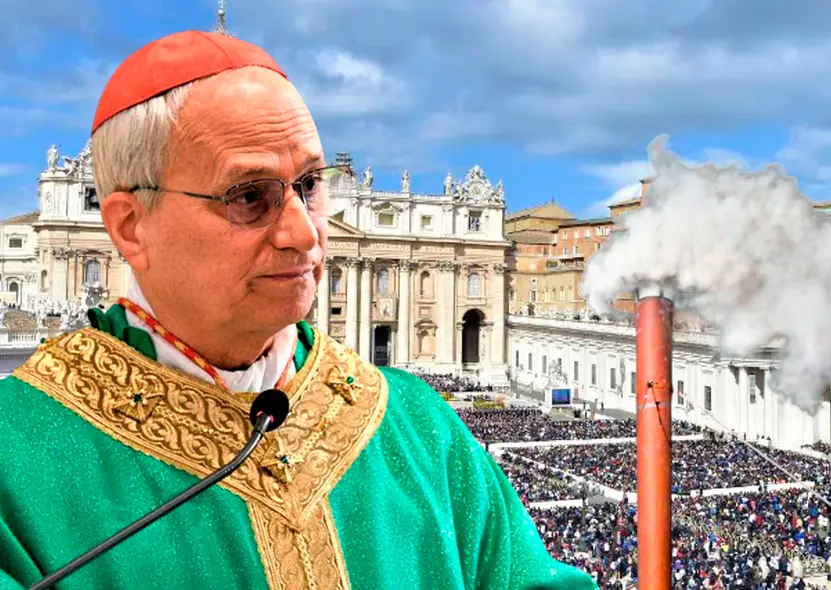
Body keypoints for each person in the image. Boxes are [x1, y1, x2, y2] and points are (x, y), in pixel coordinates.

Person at [0, 30, 597, 590]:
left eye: (310, 185)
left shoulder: (421, 428)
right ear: (130, 228)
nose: (305, 235)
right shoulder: (16, 456)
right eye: (250, 196)